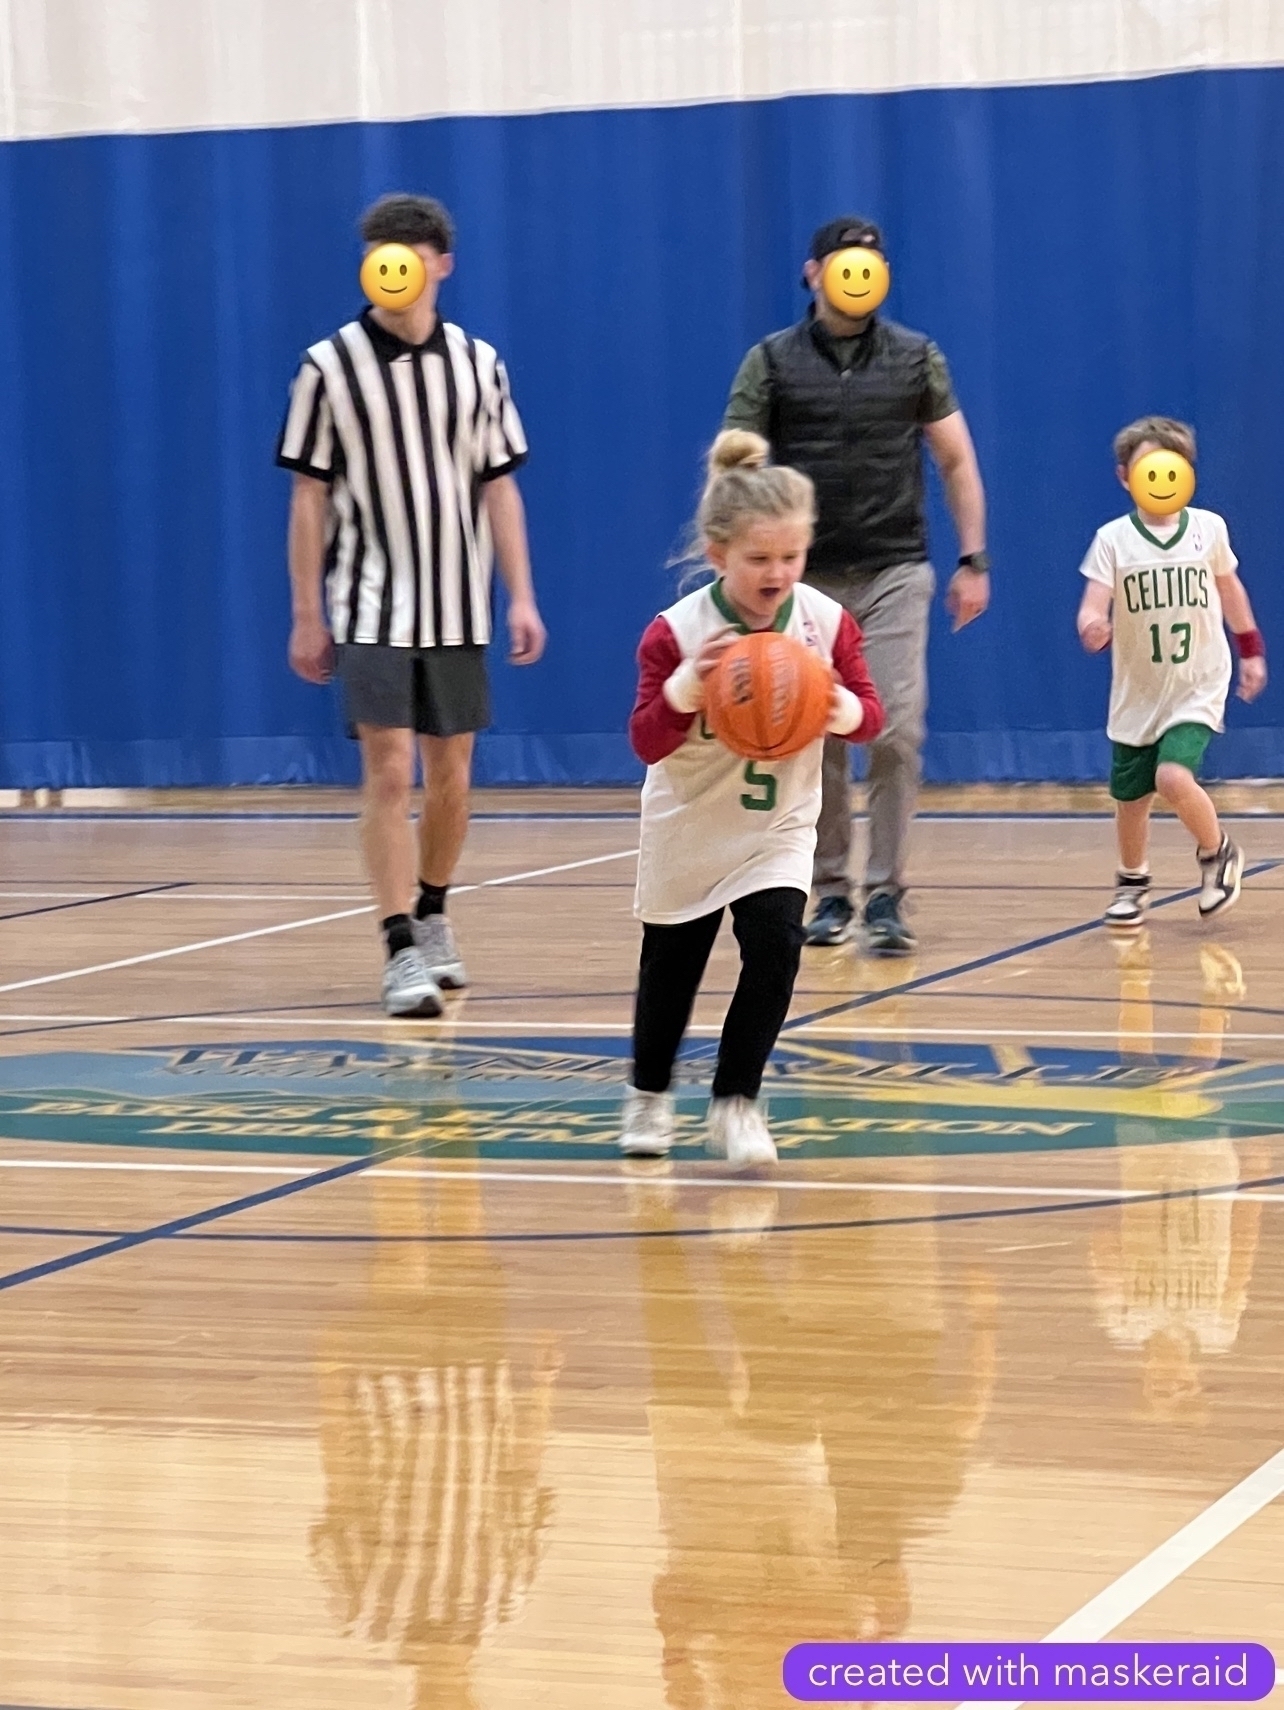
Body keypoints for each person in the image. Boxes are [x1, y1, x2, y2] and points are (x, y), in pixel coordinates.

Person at [277, 192, 546, 1017]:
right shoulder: (328, 367)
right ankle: (397, 944)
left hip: (457, 603)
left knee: (453, 774)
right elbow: (308, 498)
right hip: (368, 604)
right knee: (388, 766)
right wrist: (307, 611)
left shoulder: (479, 363)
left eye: (411, 248)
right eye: (382, 248)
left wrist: (521, 596)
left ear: (441, 263)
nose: (396, 261)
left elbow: (499, 487)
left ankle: (433, 911)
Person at [723, 216, 988, 954]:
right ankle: (832, 888)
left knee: (896, 729)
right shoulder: (771, 361)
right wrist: (740, 560)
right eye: (843, 263)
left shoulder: (915, 356)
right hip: (803, 576)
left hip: (896, 568)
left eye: (870, 263)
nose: (856, 275)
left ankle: (889, 895)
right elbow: (735, 460)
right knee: (818, 733)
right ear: (814, 274)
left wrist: (974, 560)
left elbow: (956, 459)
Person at [621, 430, 884, 1167]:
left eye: (790, 558)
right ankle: (648, 1094)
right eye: (758, 559)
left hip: (779, 823)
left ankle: (737, 1100)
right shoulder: (675, 634)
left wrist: (834, 707)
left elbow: (872, 716)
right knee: (671, 971)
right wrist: (684, 690)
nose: (777, 574)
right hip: (691, 819)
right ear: (718, 555)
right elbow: (645, 741)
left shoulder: (826, 623)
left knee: (776, 947)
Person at [1077, 416, 1267, 929]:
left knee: (1172, 775)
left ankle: (1218, 852)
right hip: (1138, 691)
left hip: (1197, 682)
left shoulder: (1209, 529)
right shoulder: (1113, 540)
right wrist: (1093, 624)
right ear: (1125, 477)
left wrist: (1250, 650)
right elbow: (1093, 604)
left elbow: (1231, 592)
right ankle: (1132, 879)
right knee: (1132, 798)